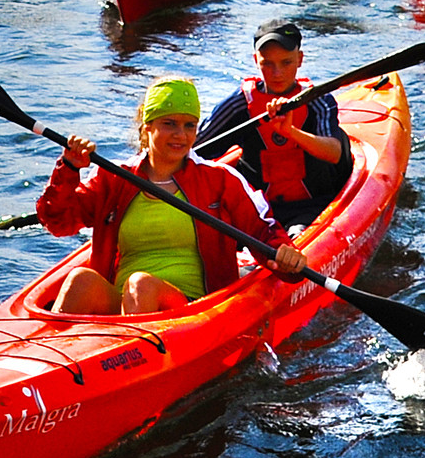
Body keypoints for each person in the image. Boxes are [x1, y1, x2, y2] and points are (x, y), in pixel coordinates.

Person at [39, 76, 307, 314]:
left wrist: (286, 256)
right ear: (148, 127)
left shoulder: (220, 179)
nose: (181, 135)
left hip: (190, 309)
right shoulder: (114, 178)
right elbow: (58, 222)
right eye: (170, 124)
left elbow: (264, 231)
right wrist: (69, 168)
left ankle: (136, 364)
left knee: (141, 284)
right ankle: (49, 357)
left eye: (190, 125)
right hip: (123, 307)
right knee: (80, 279)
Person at [199, 19, 354, 230]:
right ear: (256, 61)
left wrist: (291, 132)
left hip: (312, 207)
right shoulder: (240, 104)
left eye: (286, 62)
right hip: (257, 209)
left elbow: (335, 152)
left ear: (300, 59)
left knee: (296, 235)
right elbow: (197, 149)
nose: (277, 73)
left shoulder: (318, 100)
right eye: (267, 64)